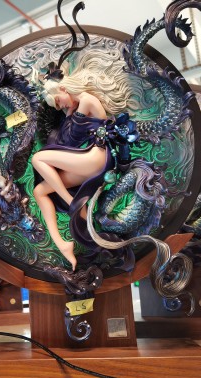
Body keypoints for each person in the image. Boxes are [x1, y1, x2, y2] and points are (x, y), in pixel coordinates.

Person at [32, 52, 136, 271]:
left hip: (95, 158)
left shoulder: (87, 100)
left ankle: (71, 201)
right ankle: (62, 244)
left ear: (63, 89)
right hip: (89, 163)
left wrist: (70, 111)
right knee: (39, 192)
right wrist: (69, 110)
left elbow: (71, 139)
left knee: (38, 158)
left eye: (58, 102)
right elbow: (69, 137)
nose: (59, 107)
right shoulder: (79, 104)